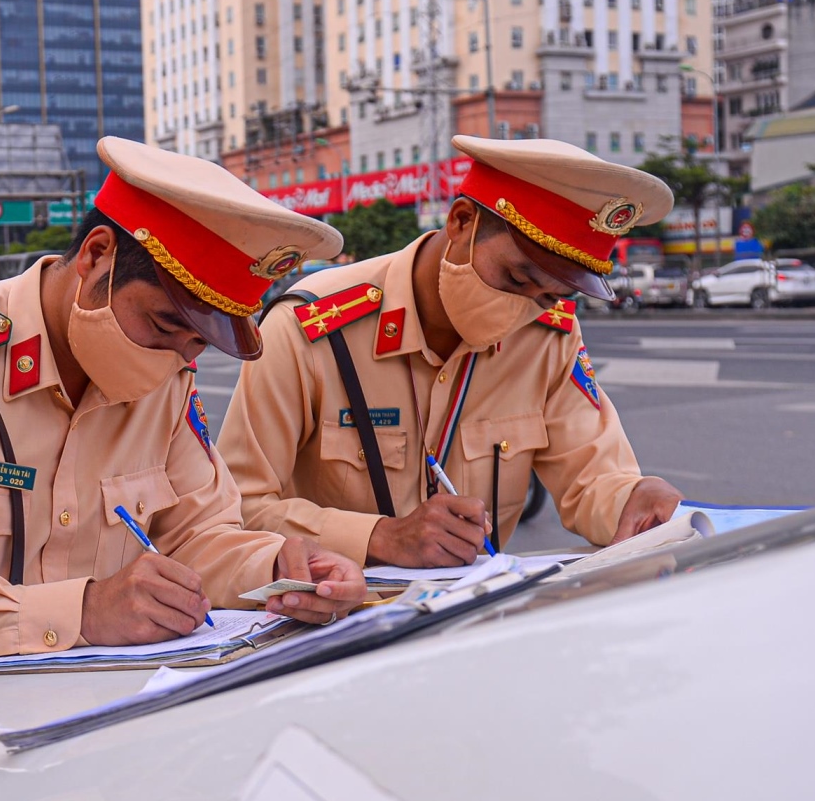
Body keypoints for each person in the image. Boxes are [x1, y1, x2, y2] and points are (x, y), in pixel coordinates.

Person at [0, 137, 370, 690]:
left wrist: (279, 571)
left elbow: (196, 536)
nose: (174, 361)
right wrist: (86, 610)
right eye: (162, 325)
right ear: (96, 254)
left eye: (198, 344)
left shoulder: (168, 376)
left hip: (86, 705)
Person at [218, 136, 683, 568]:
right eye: (516, 279)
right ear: (461, 221)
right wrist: (379, 537)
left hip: (467, 625)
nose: (522, 309)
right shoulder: (312, 328)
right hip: (339, 627)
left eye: (551, 297)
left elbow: (593, 480)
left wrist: (633, 500)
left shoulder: (550, 338)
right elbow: (240, 509)